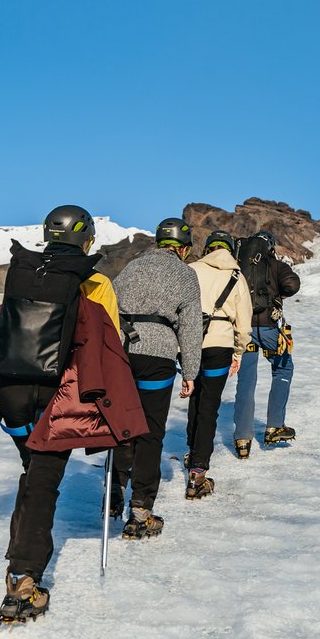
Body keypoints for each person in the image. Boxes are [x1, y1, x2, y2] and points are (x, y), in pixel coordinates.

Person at [0, 205, 146, 623]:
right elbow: (104, 342)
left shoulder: (25, 273)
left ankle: (20, 557)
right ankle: (23, 582)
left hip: (13, 393)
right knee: (43, 483)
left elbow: (5, 337)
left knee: (33, 476)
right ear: (85, 239)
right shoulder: (93, 279)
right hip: (58, 397)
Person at [111, 216, 203, 536]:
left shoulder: (132, 267)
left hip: (121, 353)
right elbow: (190, 327)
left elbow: (110, 308)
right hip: (158, 356)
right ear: (181, 248)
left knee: (121, 425)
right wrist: (190, 371)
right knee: (150, 432)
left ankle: (113, 493)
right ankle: (140, 511)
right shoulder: (185, 274)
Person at [184, 230, 252, 498]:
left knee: (195, 397)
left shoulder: (190, 270)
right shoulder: (236, 275)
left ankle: (192, 449)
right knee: (209, 404)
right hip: (220, 345)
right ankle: (198, 472)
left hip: (190, 341)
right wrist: (238, 352)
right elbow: (244, 325)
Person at [233, 230, 301, 453]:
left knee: (246, 380)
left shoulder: (239, 265)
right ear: (270, 247)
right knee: (282, 369)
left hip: (244, 330)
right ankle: (274, 427)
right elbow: (292, 285)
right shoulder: (276, 265)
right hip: (270, 330)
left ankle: (242, 439)